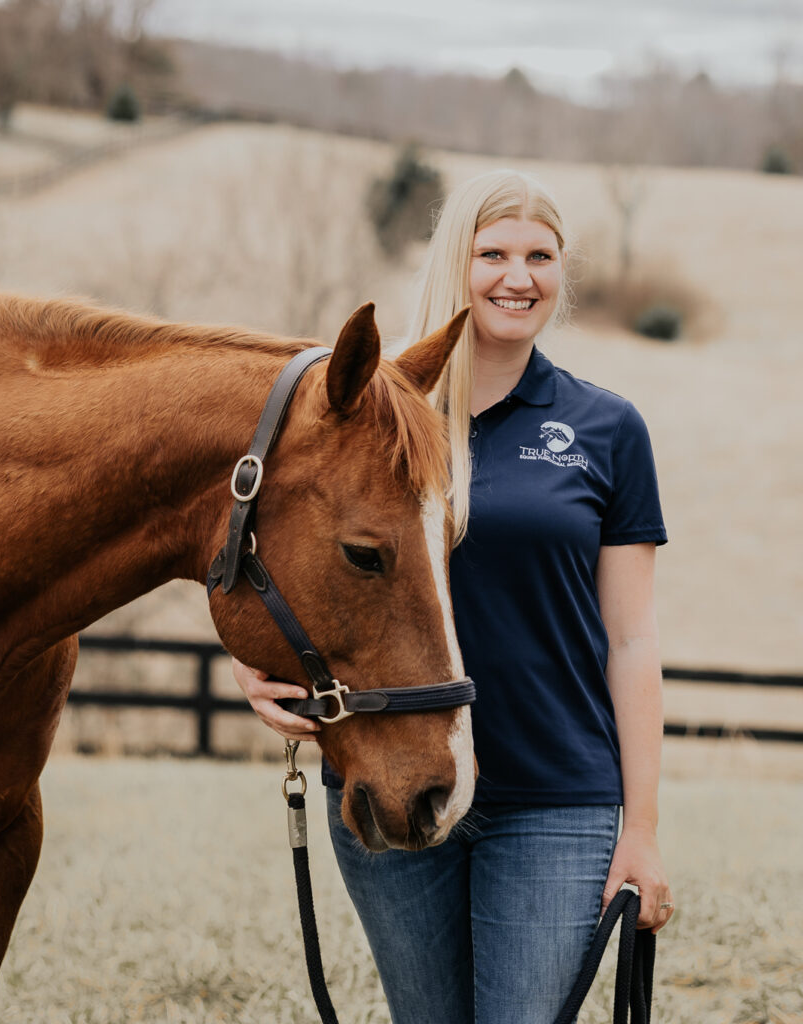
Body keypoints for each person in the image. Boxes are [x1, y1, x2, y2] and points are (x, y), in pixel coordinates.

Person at [232, 169, 674, 1024]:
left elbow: (632, 641)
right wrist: (257, 664)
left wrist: (643, 830)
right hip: (393, 782)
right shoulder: (369, 416)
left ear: (561, 271)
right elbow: (277, 555)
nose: (520, 276)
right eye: (494, 253)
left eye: (540, 255)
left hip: (556, 800)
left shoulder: (605, 429)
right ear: (454, 264)